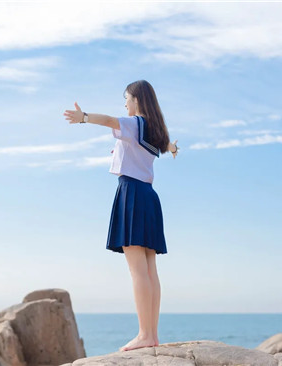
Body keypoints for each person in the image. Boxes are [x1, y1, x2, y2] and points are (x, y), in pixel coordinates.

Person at [63, 80, 179, 352]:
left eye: (126, 98)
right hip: (149, 195)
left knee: (138, 270)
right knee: (150, 270)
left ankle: (144, 334)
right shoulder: (155, 129)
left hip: (132, 193)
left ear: (137, 99)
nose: (125, 104)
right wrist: (174, 149)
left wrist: (84, 118)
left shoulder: (134, 123)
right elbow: (168, 146)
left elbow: (109, 121)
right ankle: (151, 333)